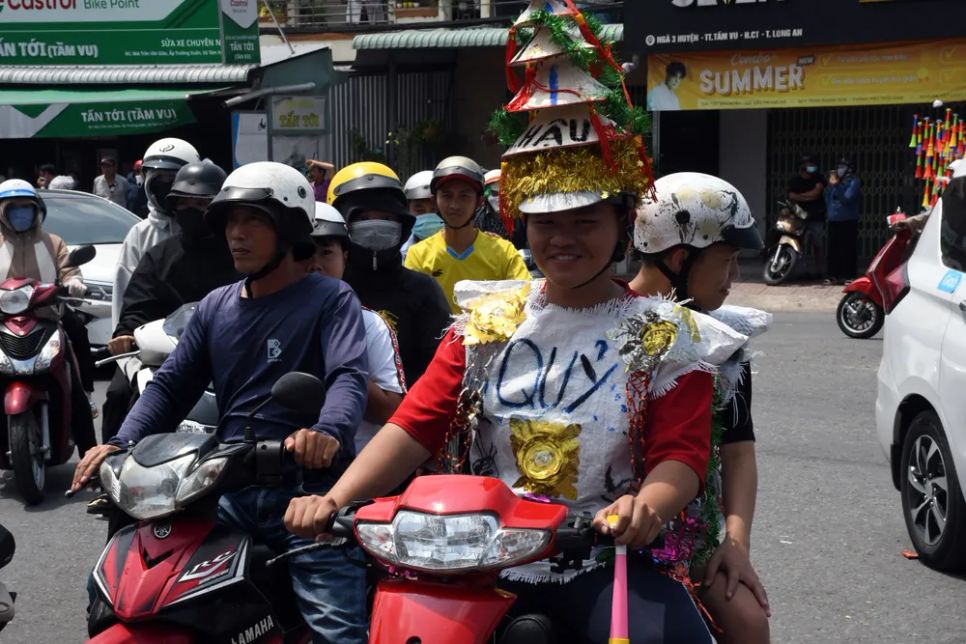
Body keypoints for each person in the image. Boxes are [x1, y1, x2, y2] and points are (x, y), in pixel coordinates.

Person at [285, 11, 747, 640]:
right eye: (545, 222)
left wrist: (647, 507)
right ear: (522, 226)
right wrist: (335, 499)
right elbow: (417, 424)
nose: (563, 239)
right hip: (474, 559)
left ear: (621, 227)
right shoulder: (487, 323)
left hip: (604, 556)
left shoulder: (668, 336)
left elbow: (682, 456)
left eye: (585, 222)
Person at [71, 161, 370, 642]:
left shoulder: (331, 299)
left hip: (307, 492)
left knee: (336, 628)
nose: (237, 234)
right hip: (223, 487)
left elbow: (348, 376)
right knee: (128, 584)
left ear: (290, 226)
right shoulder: (216, 306)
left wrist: (328, 432)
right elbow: (170, 388)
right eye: (231, 221)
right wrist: (120, 444)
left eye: (253, 220)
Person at [629, 172, 771, 644]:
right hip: (605, 534)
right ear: (678, 258)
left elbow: (738, 452)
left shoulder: (723, 345)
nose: (734, 279)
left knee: (749, 624)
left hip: (695, 536)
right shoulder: (607, 323)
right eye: (727, 262)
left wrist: (735, 543)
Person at [102, 138, 200, 442]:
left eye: (176, 184)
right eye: (159, 182)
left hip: (208, 341)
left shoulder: (214, 234)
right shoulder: (141, 236)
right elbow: (128, 299)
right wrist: (126, 338)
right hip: (151, 349)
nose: (168, 192)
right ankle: (109, 469)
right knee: (118, 397)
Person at [329, 161, 451, 386]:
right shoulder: (325, 290)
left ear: (402, 225)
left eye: (386, 219)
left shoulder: (423, 290)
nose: (375, 227)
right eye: (363, 219)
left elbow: (441, 372)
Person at [107, 161, 239, 366]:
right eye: (183, 203)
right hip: (167, 358)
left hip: (233, 353)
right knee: (119, 394)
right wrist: (126, 333)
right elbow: (139, 304)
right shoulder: (158, 256)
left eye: (200, 204)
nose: (191, 210)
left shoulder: (239, 252)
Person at [0, 179, 96, 450]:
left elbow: (69, 270)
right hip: (3, 322)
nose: (20, 213)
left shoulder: (52, 242)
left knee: (77, 337)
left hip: (48, 316)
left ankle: (90, 460)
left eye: (26, 207)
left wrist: (75, 281)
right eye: (13, 208)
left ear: (36, 210)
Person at [309, 203, 405, 453]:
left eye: (326, 253)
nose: (315, 264)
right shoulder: (271, 319)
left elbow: (390, 410)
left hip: (353, 467)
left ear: (345, 258)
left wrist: (342, 362)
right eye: (305, 253)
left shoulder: (371, 324)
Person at [404, 156, 530, 312]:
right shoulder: (418, 255)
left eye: (464, 196)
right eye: (447, 196)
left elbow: (525, 300)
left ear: (479, 202)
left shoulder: (504, 253)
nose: (455, 205)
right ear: (435, 200)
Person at [787, 154, 827, 275]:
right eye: (809, 164)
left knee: (817, 244)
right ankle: (801, 270)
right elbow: (791, 196)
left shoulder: (819, 178)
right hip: (799, 217)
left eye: (813, 164)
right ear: (802, 166)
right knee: (799, 244)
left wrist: (800, 196)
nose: (812, 167)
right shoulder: (795, 180)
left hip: (816, 216)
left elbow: (816, 194)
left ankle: (819, 270)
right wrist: (808, 196)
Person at [825, 157, 862, 284]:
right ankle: (833, 275)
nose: (839, 170)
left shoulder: (854, 182)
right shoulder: (834, 182)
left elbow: (847, 198)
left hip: (848, 220)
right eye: (839, 167)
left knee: (848, 249)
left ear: (849, 169)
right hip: (833, 220)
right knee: (833, 249)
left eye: (842, 167)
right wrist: (832, 186)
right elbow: (828, 198)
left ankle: (849, 275)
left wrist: (837, 187)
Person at [400, 170, 444, 259]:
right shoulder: (399, 253)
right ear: (408, 211)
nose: (427, 217)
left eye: (434, 210)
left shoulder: (458, 249)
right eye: (419, 210)